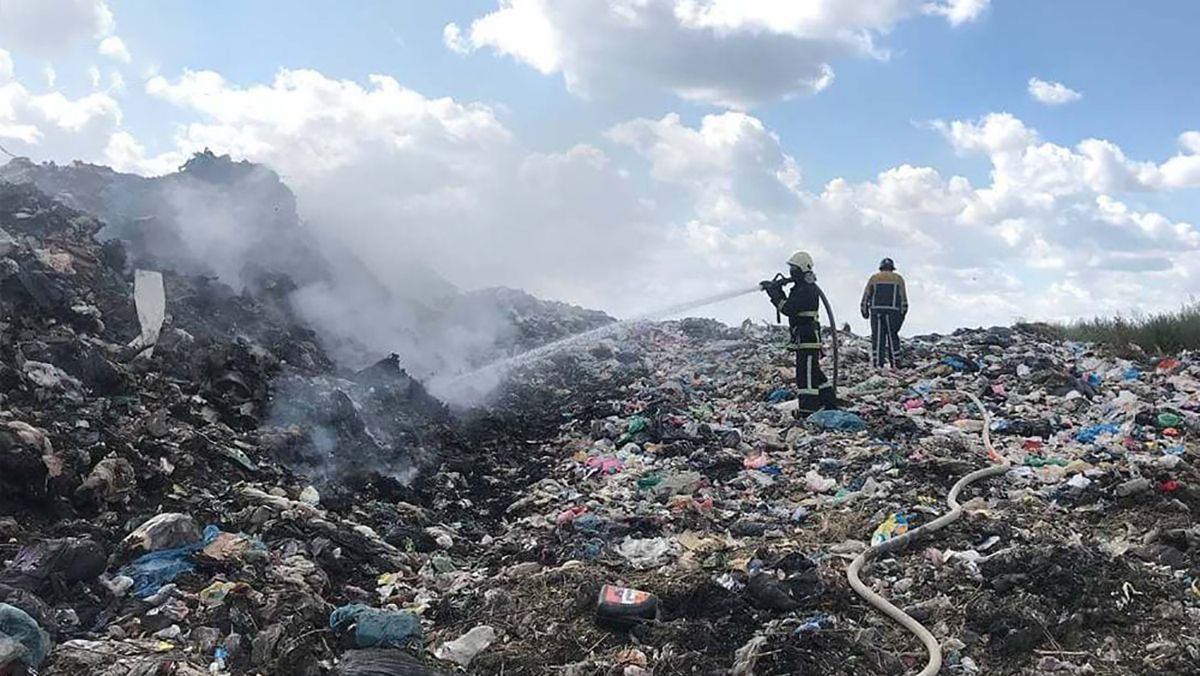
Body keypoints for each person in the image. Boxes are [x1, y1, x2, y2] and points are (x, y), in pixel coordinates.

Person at [761, 251, 836, 413]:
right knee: (814, 372)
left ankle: (808, 409)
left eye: (794, 269)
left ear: (802, 269)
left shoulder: (806, 289)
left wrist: (774, 295)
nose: (791, 272)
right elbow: (788, 305)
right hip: (804, 336)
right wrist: (778, 291)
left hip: (807, 336)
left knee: (806, 375)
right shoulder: (801, 287)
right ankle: (829, 402)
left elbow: (789, 309)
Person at [860, 257, 908, 368]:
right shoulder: (898, 279)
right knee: (893, 338)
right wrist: (901, 315)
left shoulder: (874, 278)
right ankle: (895, 364)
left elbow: (866, 296)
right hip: (893, 313)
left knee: (877, 339)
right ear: (892, 268)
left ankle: (878, 364)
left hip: (876, 312)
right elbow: (904, 300)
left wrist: (864, 311)